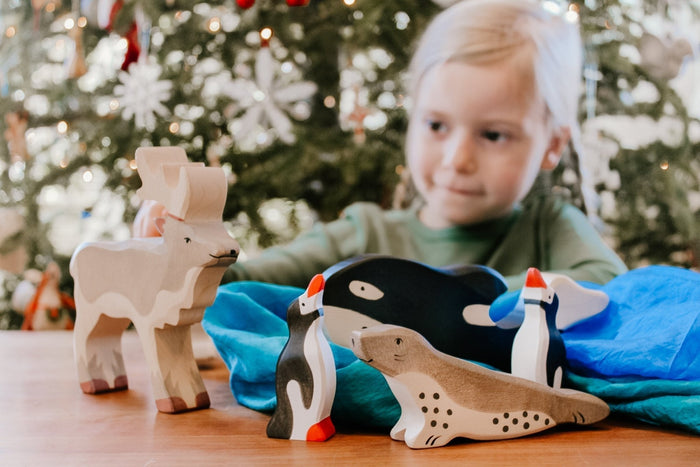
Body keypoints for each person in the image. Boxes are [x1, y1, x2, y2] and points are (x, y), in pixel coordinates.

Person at [221, 0, 627, 291]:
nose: (458, 160)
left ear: (551, 146)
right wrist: (175, 250)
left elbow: (610, 284)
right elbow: (235, 281)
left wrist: (442, 295)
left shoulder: (552, 228)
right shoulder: (364, 236)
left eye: (493, 135)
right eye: (436, 125)